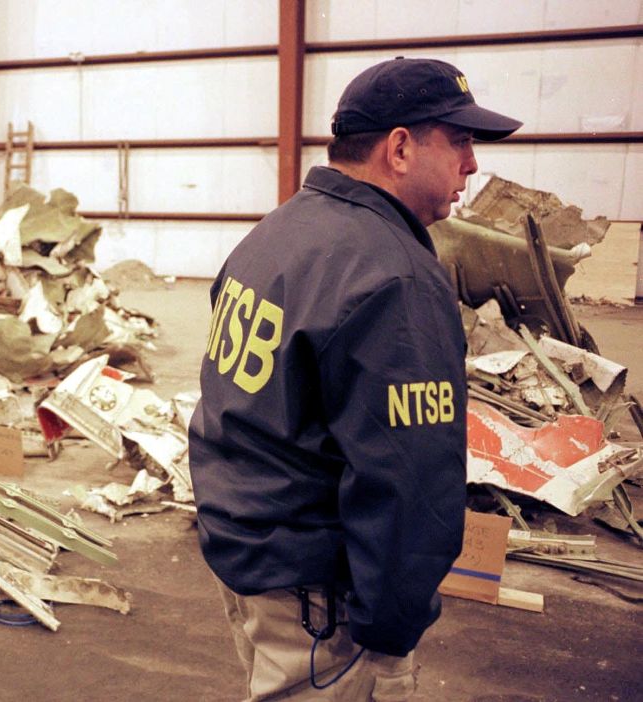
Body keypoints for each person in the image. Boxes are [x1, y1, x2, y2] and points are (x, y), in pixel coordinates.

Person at [188, 57, 522, 701]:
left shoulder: (274, 235)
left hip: (248, 560)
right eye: (459, 140)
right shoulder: (390, 273)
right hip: (321, 602)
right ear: (399, 147)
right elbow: (408, 478)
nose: (472, 165)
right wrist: (392, 629)